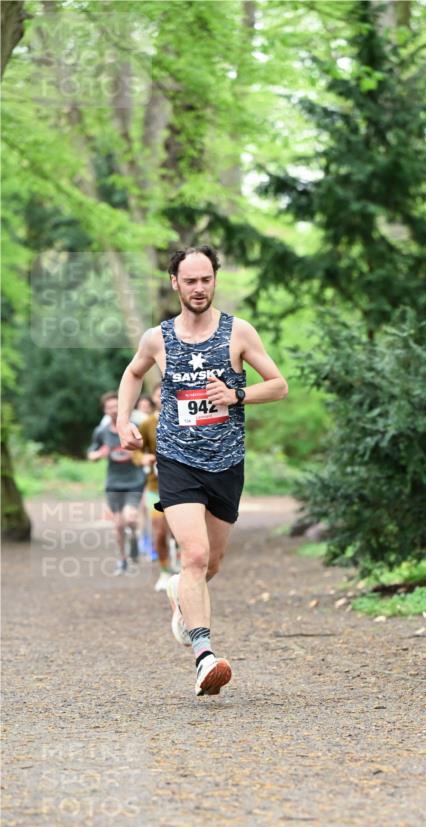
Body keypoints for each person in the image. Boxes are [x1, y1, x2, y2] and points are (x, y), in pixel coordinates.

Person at [116, 245, 288, 697]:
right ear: (175, 282)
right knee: (193, 556)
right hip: (176, 461)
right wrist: (123, 421)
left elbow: (278, 385)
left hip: (226, 463)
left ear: (215, 280)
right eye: (190, 280)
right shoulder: (157, 338)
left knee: (211, 563)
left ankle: (181, 594)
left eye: (206, 279)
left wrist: (237, 395)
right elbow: (133, 374)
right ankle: (204, 656)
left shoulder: (238, 332)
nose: (198, 288)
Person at [87, 392, 146, 575]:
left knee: (130, 518)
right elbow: (91, 454)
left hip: (134, 481)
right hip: (113, 483)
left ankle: (134, 540)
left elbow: (148, 450)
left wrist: (138, 454)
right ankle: (122, 560)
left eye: (116, 406)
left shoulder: (134, 428)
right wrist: (99, 454)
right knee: (119, 525)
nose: (113, 410)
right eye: (109, 407)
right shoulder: (101, 432)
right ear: (105, 411)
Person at [138, 382, 177, 591]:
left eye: (166, 392)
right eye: (158, 394)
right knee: (160, 531)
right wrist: (142, 458)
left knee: (181, 530)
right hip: (156, 486)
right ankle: (164, 571)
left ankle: (183, 568)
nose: (162, 397)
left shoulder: (184, 419)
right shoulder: (147, 424)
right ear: (153, 398)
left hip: (182, 484)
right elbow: (136, 449)